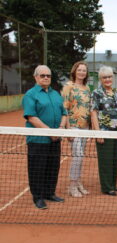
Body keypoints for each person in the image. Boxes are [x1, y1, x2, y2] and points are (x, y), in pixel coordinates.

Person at [22, 65, 67, 209]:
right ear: (36, 77)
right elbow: (31, 117)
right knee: (37, 168)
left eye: (48, 75)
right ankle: (38, 197)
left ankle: (49, 193)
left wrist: (60, 129)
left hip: (55, 138)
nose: (46, 78)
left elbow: (64, 113)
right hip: (38, 140)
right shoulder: (30, 94)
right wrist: (50, 132)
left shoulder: (55, 94)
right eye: (43, 75)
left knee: (52, 167)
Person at [90, 66, 117, 196]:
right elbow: (93, 113)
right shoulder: (96, 93)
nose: (107, 79)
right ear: (100, 79)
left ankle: (112, 184)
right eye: (105, 77)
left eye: (109, 77)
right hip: (104, 131)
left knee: (115, 158)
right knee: (105, 159)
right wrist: (98, 132)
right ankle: (106, 187)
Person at [62, 61, 91, 198]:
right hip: (73, 127)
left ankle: (78, 182)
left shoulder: (87, 88)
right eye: (79, 70)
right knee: (77, 156)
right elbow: (65, 108)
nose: (81, 72)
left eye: (84, 70)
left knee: (81, 156)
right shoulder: (68, 86)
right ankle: (72, 185)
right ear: (74, 71)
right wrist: (68, 129)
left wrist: (90, 127)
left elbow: (88, 109)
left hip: (85, 127)